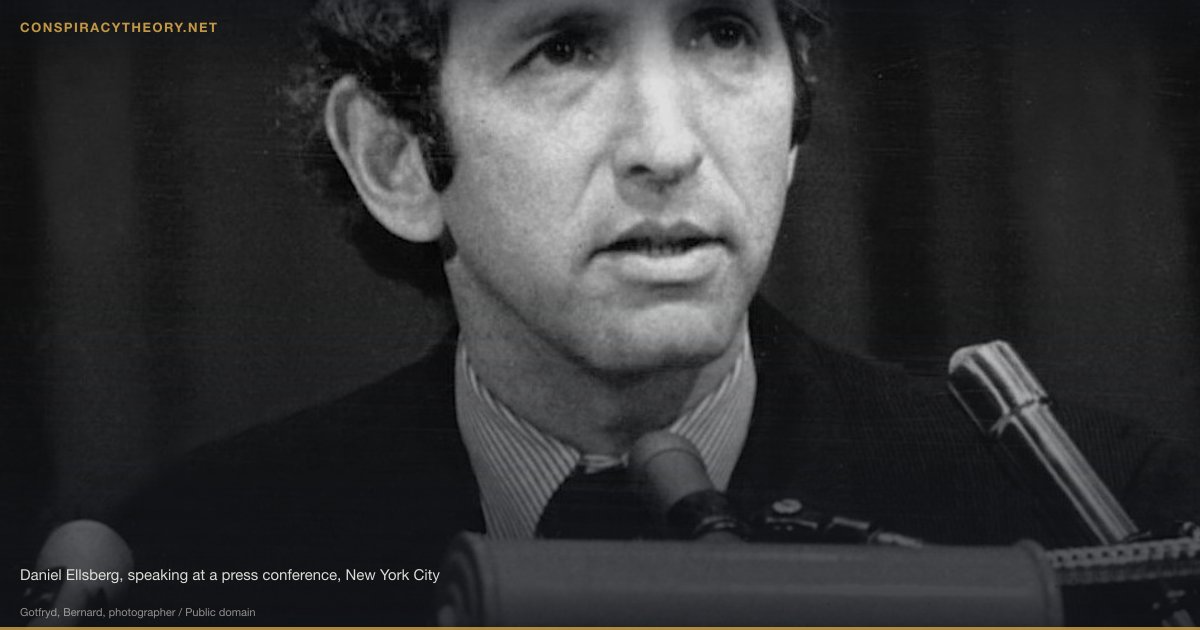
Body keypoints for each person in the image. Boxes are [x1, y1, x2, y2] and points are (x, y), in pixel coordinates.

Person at [114, 0, 1199, 624]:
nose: (669, 147)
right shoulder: (192, 561)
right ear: (397, 158)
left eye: (724, 32)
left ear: (795, 120)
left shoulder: (1100, 529)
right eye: (565, 46)